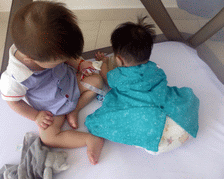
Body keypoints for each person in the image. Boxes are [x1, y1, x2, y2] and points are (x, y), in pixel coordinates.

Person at [0, 0, 104, 165]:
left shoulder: (49, 48)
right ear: (31, 59)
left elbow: (68, 56)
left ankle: (74, 110)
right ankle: (89, 140)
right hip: (50, 109)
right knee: (48, 137)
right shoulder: (14, 78)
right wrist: (36, 116)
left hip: (72, 84)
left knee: (97, 81)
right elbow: (14, 102)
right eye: (59, 61)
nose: (64, 60)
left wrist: (80, 64)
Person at [85, 16, 199, 154]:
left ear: (119, 59)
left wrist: (103, 62)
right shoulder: (156, 69)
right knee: (176, 96)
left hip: (155, 138)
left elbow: (106, 76)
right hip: (183, 126)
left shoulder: (119, 76)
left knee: (96, 122)